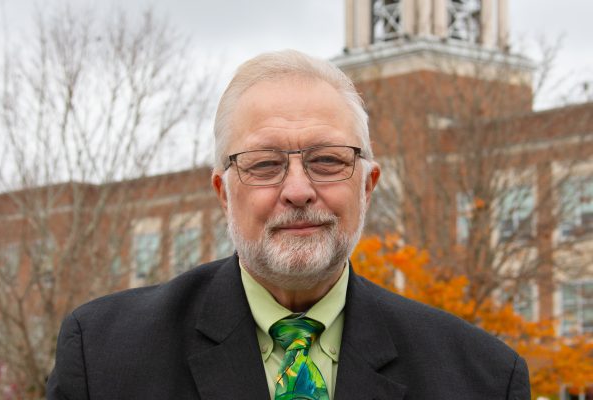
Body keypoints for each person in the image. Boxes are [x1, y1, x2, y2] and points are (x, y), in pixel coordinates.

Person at [47, 50, 530, 400]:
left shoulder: (482, 378)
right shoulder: (103, 357)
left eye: (326, 160)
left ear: (367, 186)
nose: (298, 190)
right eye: (264, 164)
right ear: (223, 193)